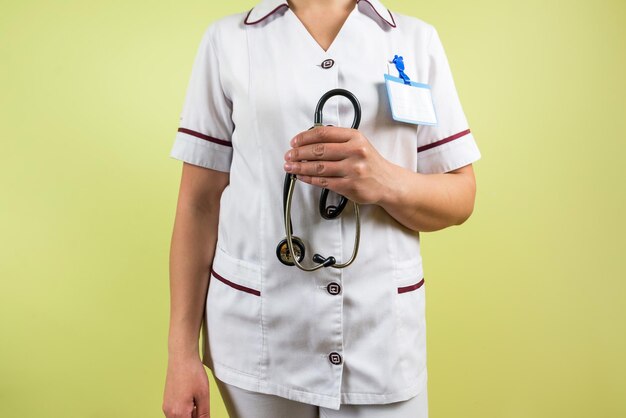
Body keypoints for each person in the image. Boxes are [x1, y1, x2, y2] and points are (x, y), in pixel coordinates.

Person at [162, 0, 481, 417]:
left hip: (379, 336)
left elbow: (460, 197)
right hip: (257, 333)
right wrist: (180, 353)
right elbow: (198, 204)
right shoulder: (229, 41)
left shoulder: (414, 41)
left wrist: (385, 181)